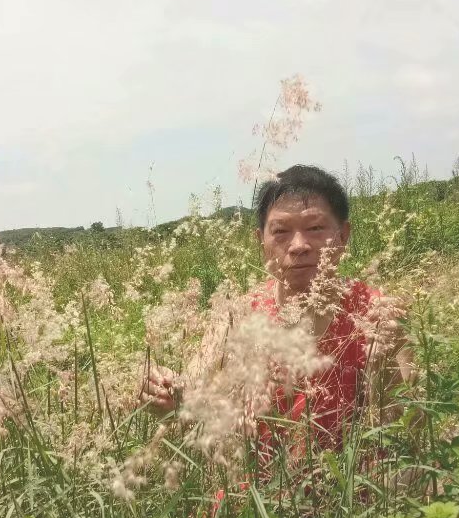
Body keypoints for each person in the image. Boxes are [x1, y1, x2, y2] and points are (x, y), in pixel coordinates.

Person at [140, 164, 415, 462]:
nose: (299, 246)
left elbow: (406, 434)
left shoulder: (377, 315)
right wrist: (164, 393)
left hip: (350, 489)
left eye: (315, 228)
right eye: (281, 232)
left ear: (343, 235)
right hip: (249, 489)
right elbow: (189, 400)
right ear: (261, 240)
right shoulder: (238, 316)